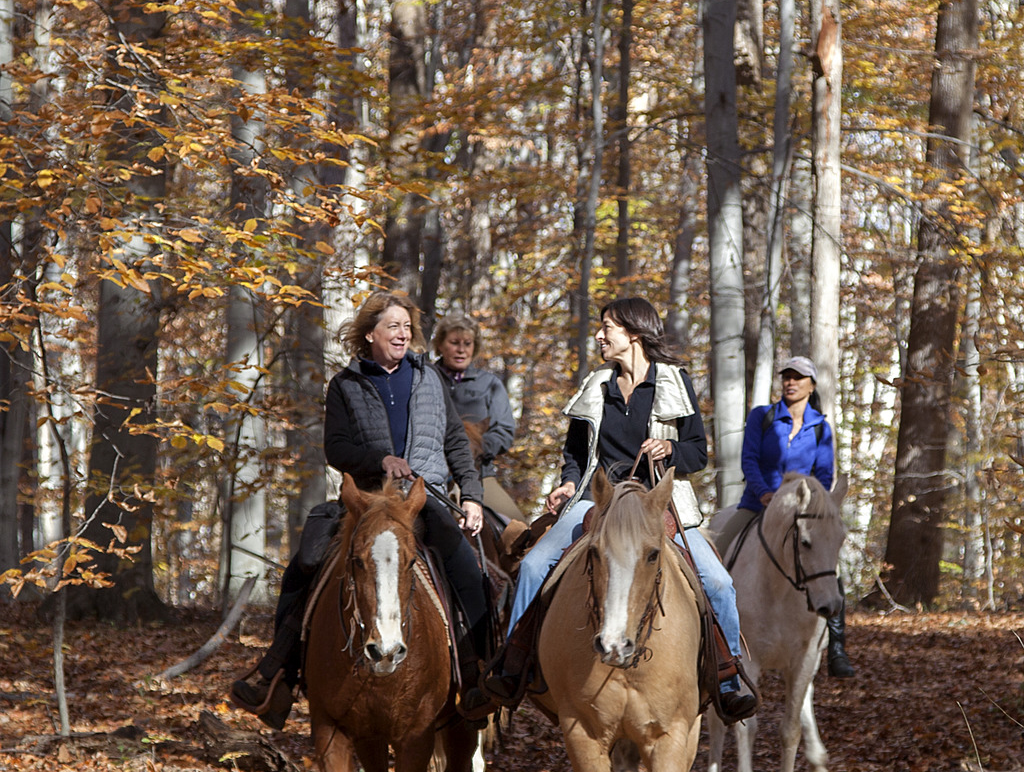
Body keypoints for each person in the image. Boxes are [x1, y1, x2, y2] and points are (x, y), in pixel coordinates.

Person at [463, 296, 757, 725]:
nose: (600, 335)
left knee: (719, 582)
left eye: (608, 327)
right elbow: (575, 454)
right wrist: (566, 482)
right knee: (533, 567)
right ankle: (514, 664)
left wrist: (670, 447)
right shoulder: (595, 385)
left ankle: (727, 678)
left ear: (634, 333)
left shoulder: (675, 382)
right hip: (595, 499)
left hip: (658, 501)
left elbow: (697, 453)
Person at [229, 290, 491, 726]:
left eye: (407, 326)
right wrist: (378, 461)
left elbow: (455, 442)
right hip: (366, 502)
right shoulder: (345, 385)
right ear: (370, 333)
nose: (403, 333)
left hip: (421, 501)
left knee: (469, 572)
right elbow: (336, 448)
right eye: (393, 326)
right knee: (305, 562)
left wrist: (473, 494)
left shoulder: (431, 378)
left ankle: (479, 678)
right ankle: (277, 677)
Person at [726, 355, 853, 678]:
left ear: (812, 385)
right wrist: (763, 493)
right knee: (717, 552)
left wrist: (811, 506)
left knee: (827, 565)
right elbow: (749, 461)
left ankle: (836, 645)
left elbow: (824, 478)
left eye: (798, 377)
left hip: (802, 514)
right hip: (756, 506)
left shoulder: (821, 427)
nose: (790, 382)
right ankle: (711, 632)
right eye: (786, 376)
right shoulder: (762, 417)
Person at [431, 313, 521, 522]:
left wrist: (474, 446)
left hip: (479, 474)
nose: (461, 349)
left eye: (467, 343)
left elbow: (504, 432)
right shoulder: (426, 378)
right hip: (432, 472)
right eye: (454, 343)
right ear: (441, 345)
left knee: (518, 529)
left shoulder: (490, 384)